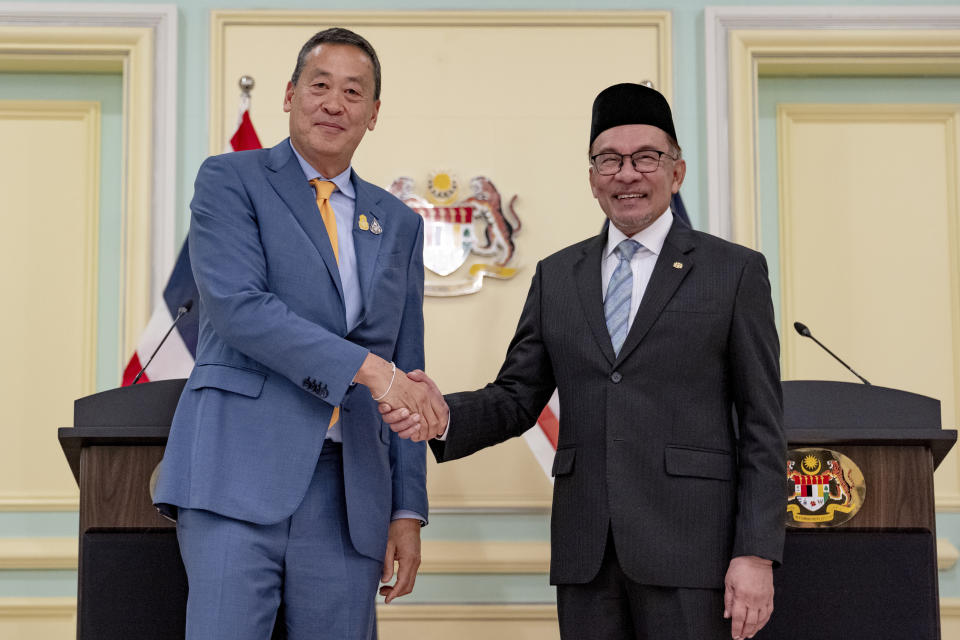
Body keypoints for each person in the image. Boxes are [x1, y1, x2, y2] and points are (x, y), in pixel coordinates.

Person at [381, 83, 786, 640]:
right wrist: (441, 414)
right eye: (609, 160)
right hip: (587, 553)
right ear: (592, 176)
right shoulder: (557, 276)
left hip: (695, 552)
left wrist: (757, 553)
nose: (627, 173)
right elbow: (518, 396)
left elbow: (764, 425)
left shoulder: (733, 272)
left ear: (677, 171)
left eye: (646, 157)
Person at [154, 27, 446, 640]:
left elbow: (407, 366)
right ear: (289, 95)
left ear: (373, 114)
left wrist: (406, 509)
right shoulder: (231, 180)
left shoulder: (395, 223)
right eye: (319, 85)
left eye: (353, 92)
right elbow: (240, 309)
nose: (334, 103)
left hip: (349, 492)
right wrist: (372, 372)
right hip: (237, 472)